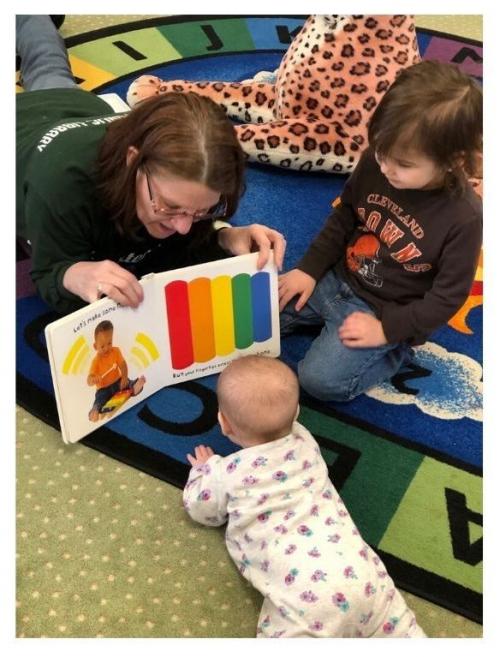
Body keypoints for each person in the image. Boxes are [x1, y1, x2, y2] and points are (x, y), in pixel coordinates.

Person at [16, 15, 286, 316]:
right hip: (21, 138)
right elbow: (48, 271)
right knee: (46, 72)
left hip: (76, 107)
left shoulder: (162, 174)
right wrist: (72, 274)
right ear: (134, 161)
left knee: (48, 67)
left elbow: (184, 240)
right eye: (169, 207)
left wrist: (224, 237)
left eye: (201, 210)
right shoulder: (62, 185)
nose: (183, 227)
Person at [277, 59, 482, 402]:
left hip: (385, 312)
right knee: (255, 318)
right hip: (336, 278)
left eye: (403, 164)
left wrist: (387, 330)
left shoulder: (465, 217)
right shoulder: (377, 161)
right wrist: (308, 270)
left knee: (318, 382)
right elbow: (345, 215)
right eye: (382, 150)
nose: (385, 167)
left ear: (454, 161)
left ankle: (395, 351)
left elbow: (447, 297)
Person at [183, 355, 425, 638]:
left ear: (223, 424)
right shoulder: (304, 440)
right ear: (297, 412)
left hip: (309, 598)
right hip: (361, 576)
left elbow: (202, 510)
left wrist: (204, 470)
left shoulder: (228, 473)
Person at [87, 320, 145, 422]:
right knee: (100, 399)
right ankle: (95, 410)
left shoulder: (116, 351)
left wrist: (123, 377)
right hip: (103, 389)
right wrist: (93, 379)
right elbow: (89, 380)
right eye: (102, 346)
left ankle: (135, 386)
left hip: (118, 382)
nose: (106, 348)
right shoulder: (96, 361)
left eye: (109, 343)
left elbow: (123, 365)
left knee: (128, 382)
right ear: (95, 346)